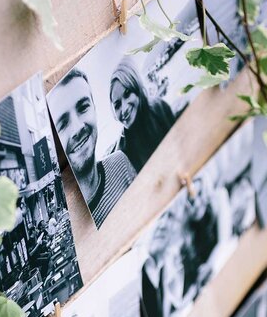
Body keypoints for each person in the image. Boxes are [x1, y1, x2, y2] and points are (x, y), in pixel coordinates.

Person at [50, 68, 136, 228]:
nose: (77, 128)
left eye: (83, 107)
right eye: (62, 124)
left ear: (95, 109)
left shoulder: (120, 162)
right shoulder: (67, 218)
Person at [109, 58, 176, 172]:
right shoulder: (123, 151)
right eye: (117, 105)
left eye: (127, 94)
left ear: (137, 88)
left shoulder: (159, 108)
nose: (124, 108)